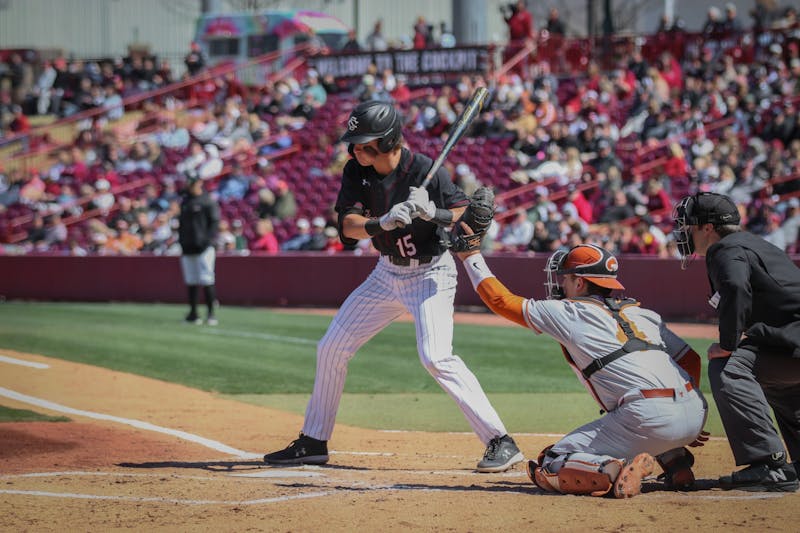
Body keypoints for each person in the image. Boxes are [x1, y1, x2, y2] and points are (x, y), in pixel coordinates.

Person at [264, 101, 523, 473]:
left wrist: (433, 213)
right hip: (386, 274)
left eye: (364, 144)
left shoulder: (426, 170)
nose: (355, 150)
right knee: (331, 347)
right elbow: (348, 227)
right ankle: (313, 441)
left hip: (431, 273)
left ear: (387, 142)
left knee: (435, 356)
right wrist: (382, 222)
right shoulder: (356, 170)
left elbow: (467, 215)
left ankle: (500, 440)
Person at [452, 238, 708, 498]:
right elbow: (691, 360)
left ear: (580, 283)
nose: (561, 284)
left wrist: (471, 256)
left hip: (648, 419)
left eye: (565, 278)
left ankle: (613, 468)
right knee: (648, 417)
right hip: (695, 413)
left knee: (551, 461)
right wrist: (687, 411)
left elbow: (500, 301)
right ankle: (677, 463)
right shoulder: (643, 313)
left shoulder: (570, 311)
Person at [673, 192, 800, 492]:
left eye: (689, 226)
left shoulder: (724, 249)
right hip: (790, 344)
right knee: (776, 379)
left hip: (793, 342)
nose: (685, 232)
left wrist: (728, 343)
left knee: (728, 367)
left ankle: (768, 463)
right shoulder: (753, 243)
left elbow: (735, 286)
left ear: (708, 228)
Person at [178, 175, 220, 326]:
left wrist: (206, 241)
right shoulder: (185, 201)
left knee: (207, 279)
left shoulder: (207, 201)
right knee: (191, 280)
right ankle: (193, 313)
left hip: (204, 248)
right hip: (188, 247)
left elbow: (214, 223)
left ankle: (211, 314)